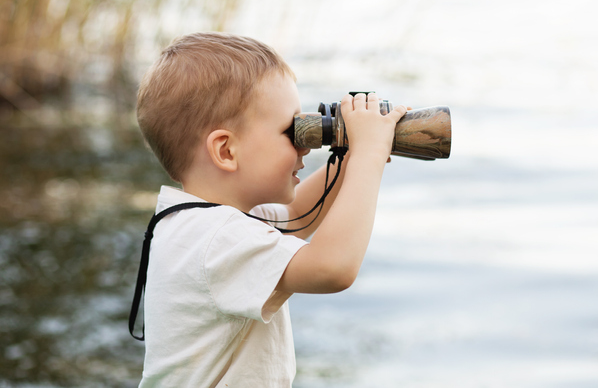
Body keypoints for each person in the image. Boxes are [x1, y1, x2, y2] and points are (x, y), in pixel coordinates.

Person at [133, 32, 407, 387]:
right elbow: (332, 268)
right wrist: (367, 157)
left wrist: (354, 151)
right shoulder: (216, 238)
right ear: (227, 151)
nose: (304, 147)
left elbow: (296, 218)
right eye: (289, 131)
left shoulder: (201, 222)